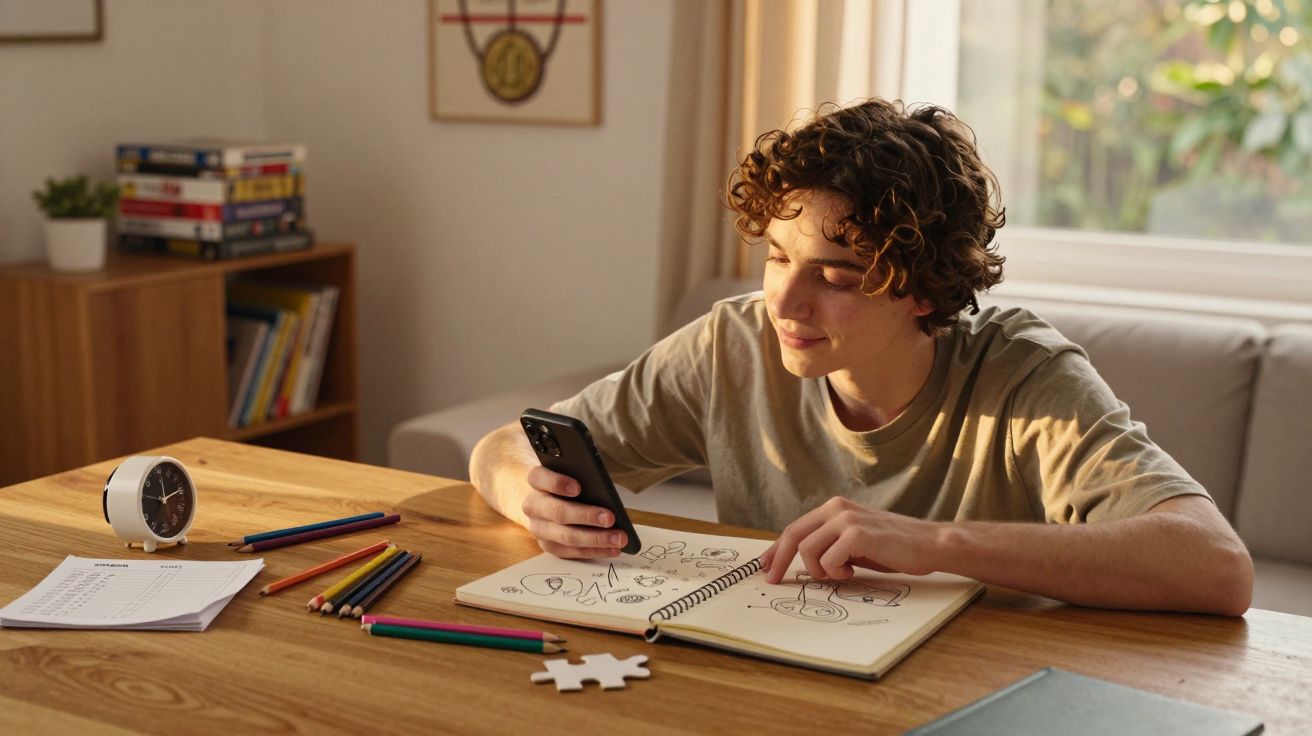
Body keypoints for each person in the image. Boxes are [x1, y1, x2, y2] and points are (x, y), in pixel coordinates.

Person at [470, 99, 1253, 617]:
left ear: (922, 289)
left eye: (836, 276)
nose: (784, 302)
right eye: (777, 258)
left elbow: (1217, 565)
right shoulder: (733, 345)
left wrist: (934, 544)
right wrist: (525, 494)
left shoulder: (1024, 376)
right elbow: (506, 445)